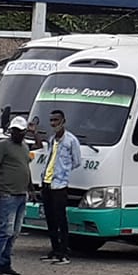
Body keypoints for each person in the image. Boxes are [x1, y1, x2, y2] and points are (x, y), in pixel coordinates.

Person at [0, 116, 33, 275]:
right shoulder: (2, 145)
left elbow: (25, 167)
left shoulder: (25, 147)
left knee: (14, 232)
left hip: (20, 194)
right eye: (14, 130)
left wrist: (30, 188)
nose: (16, 133)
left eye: (20, 131)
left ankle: (5, 263)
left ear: (25, 132)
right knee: (5, 230)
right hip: (6, 194)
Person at [40, 109, 80, 264]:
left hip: (60, 185)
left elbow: (76, 161)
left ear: (63, 121)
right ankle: (54, 249)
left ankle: (64, 251)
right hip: (47, 183)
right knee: (49, 218)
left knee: (60, 219)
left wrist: (64, 171)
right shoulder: (52, 140)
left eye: (56, 120)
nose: (53, 123)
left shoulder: (71, 141)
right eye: (51, 121)